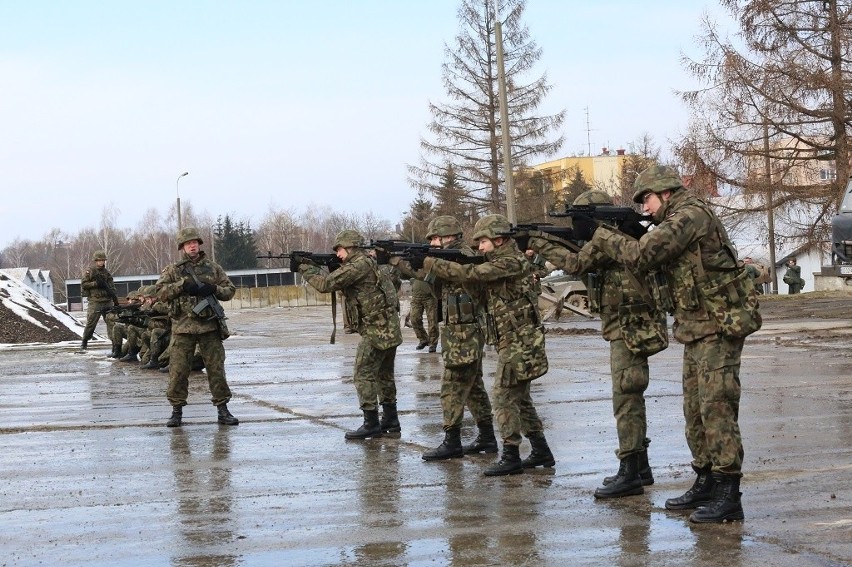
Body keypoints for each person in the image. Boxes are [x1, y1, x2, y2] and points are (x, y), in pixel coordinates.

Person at [584, 165, 761, 523]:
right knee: (695, 411)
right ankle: (707, 480)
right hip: (696, 327)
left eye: (646, 199)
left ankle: (729, 493)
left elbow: (642, 254)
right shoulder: (676, 218)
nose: (645, 208)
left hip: (719, 327)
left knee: (717, 409)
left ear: (665, 193)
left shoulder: (690, 215)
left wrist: (601, 235)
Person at [529, 190, 666, 498]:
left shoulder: (610, 240)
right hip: (628, 325)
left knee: (625, 397)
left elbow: (575, 263)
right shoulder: (618, 239)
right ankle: (640, 466)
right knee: (630, 395)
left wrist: (539, 241)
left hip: (629, 328)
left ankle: (630, 471)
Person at [421, 214, 552, 476]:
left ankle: (511, 455)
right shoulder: (501, 262)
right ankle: (540, 450)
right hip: (512, 340)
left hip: (519, 341)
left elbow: (472, 273)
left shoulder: (510, 262)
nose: (479, 247)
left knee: (503, 398)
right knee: (520, 398)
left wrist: (429, 262)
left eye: (483, 241)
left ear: (499, 239)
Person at [388, 215, 498, 461]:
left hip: (465, 331)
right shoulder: (447, 258)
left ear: (450, 236)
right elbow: (429, 277)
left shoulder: (465, 257)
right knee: (474, 388)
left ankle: (452, 441)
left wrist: (418, 262)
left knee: (451, 387)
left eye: (436, 238)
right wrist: (405, 262)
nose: (433, 243)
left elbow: (453, 275)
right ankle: (487, 437)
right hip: (458, 331)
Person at [298, 229, 403, 439]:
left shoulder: (358, 265)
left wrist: (305, 268)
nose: (337, 254)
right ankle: (391, 419)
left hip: (377, 330)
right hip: (389, 326)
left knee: (362, 374)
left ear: (351, 247)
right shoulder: (370, 263)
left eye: (340, 249)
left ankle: (371, 422)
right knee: (384, 375)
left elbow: (325, 284)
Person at [156, 227, 238, 427]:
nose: (192, 246)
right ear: (182, 247)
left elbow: (230, 290)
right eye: (187, 243)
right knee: (178, 371)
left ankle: (223, 409)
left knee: (216, 369)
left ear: (199, 244)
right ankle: (176, 411)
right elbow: (160, 293)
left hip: (209, 328)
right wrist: (182, 285)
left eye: (195, 242)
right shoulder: (174, 270)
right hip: (183, 329)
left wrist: (214, 289)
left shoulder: (213, 268)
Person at [79, 250, 119, 351]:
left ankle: (115, 344)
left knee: (111, 323)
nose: (101, 262)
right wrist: (95, 284)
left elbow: (112, 287)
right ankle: (84, 342)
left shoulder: (106, 273)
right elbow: (84, 284)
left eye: (103, 260)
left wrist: (112, 294)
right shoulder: (90, 271)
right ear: (95, 261)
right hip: (95, 302)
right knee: (91, 323)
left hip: (107, 301)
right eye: (99, 260)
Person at [409, 277, 438, 352]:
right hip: (416, 296)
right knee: (414, 319)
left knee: (432, 321)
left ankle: (433, 343)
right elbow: (403, 275)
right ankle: (423, 339)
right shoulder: (412, 266)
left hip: (430, 297)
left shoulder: (429, 266)